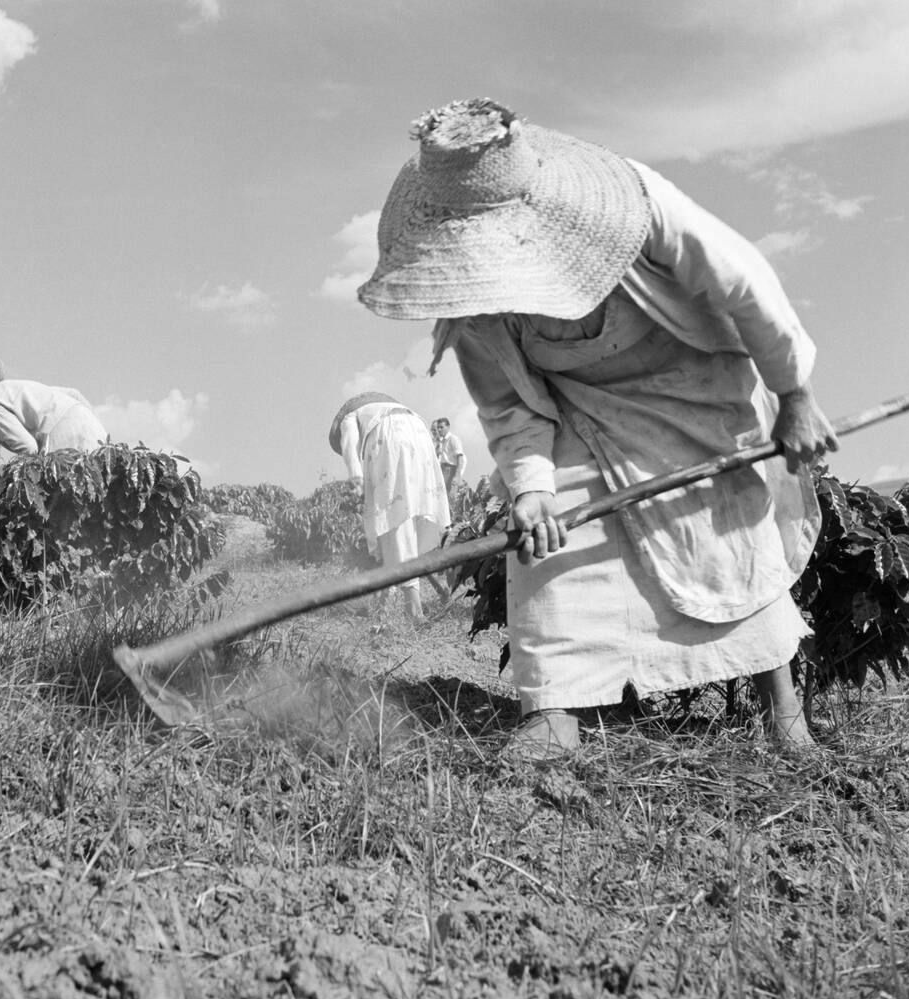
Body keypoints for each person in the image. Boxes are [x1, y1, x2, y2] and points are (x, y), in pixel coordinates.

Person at [356, 98, 838, 756]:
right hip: (573, 407)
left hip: (688, 381)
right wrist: (532, 489)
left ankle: (783, 714)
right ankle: (554, 709)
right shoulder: (471, 296)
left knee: (726, 534)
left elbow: (746, 285)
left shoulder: (634, 206)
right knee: (549, 545)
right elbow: (508, 404)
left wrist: (794, 394)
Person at [331, 392, 452, 618]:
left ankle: (414, 611)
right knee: (411, 517)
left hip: (387, 438)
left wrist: (356, 482)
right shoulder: (391, 409)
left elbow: (349, 447)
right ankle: (386, 603)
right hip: (420, 434)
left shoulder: (350, 417)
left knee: (393, 522)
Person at [432, 416, 468, 515]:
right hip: (443, 469)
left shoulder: (453, 439)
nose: (439, 430)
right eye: (438, 427)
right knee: (441, 498)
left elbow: (460, 458)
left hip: (450, 470)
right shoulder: (442, 441)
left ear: (448, 427)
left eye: (441, 427)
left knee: (451, 498)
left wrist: (457, 476)